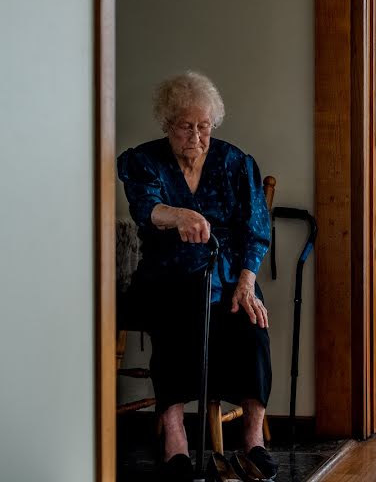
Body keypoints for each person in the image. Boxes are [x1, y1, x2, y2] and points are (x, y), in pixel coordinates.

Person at [117, 71, 277, 481]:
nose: (195, 136)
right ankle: (175, 440)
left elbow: (256, 230)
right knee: (173, 320)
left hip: (227, 279)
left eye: (203, 126)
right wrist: (178, 216)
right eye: (185, 126)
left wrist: (246, 281)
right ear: (167, 124)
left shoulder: (235, 163)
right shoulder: (144, 160)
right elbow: (145, 207)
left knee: (253, 324)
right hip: (165, 277)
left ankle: (253, 442)